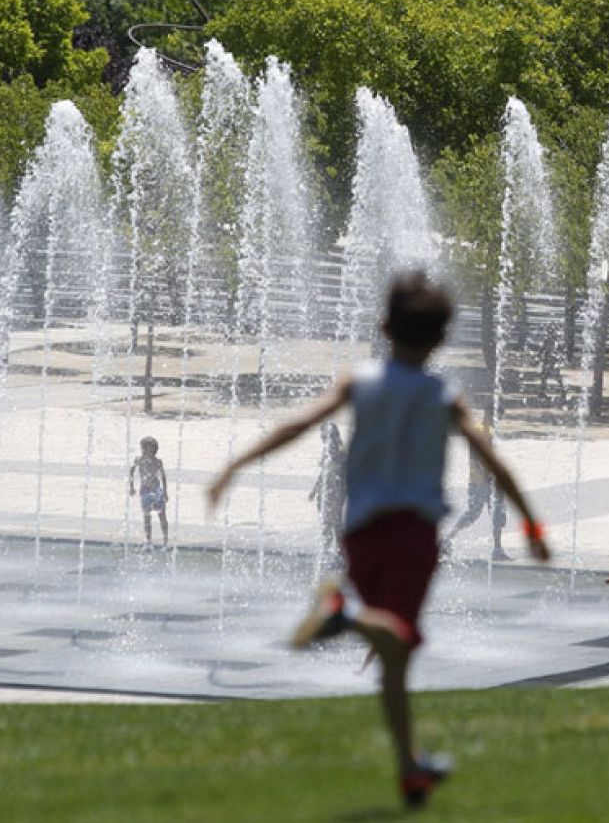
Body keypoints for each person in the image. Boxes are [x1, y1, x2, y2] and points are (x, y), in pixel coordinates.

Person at [206, 271, 551, 810]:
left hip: (360, 536)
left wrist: (235, 464)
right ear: (440, 338)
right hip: (414, 535)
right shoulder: (443, 396)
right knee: (401, 640)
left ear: (384, 326)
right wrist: (532, 525)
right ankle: (340, 614)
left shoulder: (358, 382)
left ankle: (411, 768)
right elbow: (496, 467)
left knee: (394, 660)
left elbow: (298, 424)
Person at [440, 421, 508, 561]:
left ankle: (497, 549)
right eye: (498, 412)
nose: (500, 415)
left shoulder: (488, 429)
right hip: (480, 481)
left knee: (497, 511)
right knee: (474, 513)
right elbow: (477, 458)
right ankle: (448, 540)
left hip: (487, 479)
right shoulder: (481, 431)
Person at [307, 423, 348, 567]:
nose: (322, 439)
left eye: (323, 436)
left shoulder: (341, 454)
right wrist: (314, 490)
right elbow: (323, 473)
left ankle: (340, 553)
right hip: (324, 493)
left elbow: (345, 475)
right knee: (326, 524)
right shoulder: (326, 452)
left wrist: (345, 492)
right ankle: (325, 553)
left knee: (335, 524)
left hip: (336, 492)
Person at [127, 435, 169, 547]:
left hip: (156, 490)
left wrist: (165, 492)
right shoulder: (139, 460)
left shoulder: (158, 462)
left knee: (162, 515)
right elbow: (131, 472)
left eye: (149, 449)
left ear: (154, 450)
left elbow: (163, 477)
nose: (146, 451)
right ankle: (148, 540)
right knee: (147, 516)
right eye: (144, 448)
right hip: (145, 491)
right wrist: (131, 487)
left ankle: (165, 538)